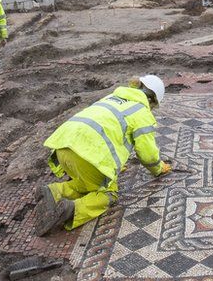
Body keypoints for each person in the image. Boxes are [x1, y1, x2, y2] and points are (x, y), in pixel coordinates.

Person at [35, 75, 173, 234]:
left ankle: (54, 191)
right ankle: (71, 210)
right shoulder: (141, 112)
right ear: (152, 101)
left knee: (88, 183)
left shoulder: (112, 97)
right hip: (87, 157)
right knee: (108, 194)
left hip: (62, 147)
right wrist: (158, 169)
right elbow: (147, 155)